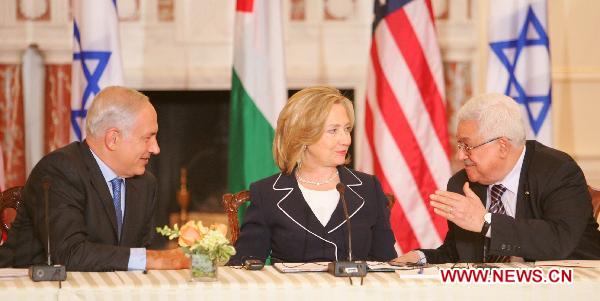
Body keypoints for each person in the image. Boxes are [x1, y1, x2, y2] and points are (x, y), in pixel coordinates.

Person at [394, 93, 600, 264]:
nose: (460, 156)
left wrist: (486, 222)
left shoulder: (557, 171)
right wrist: (419, 257)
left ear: (502, 145)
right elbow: (458, 254)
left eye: (468, 146)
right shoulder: (463, 184)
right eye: (459, 146)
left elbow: (559, 241)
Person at [0, 86, 189, 271]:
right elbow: (70, 254)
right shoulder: (59, 170)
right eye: (148, 138)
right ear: (113, 138)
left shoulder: (145, 184)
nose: (156, 149)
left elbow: (140, 256)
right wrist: (155, 259)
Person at [228, 86, 396, 265]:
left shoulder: (368, 187)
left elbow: (386, 262)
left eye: (347, 129)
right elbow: (244, 263)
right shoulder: (267, 192)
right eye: (333, 131)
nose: (346, 140)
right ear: (303, 135)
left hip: (355, 291)